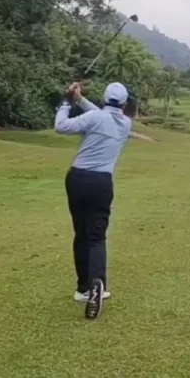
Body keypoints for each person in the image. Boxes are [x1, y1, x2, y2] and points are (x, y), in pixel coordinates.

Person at [54, 81, 132, 320]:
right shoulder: (126, 123)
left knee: (81, 234)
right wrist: (79, 99)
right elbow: (101, 115)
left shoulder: (95, 118)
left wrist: (66, 102)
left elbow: (61, 126)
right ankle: (98, 282)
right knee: (97, 236)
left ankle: (83, 288)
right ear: (125, 104)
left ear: (104, 99)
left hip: (77, 179)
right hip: (102, 184)